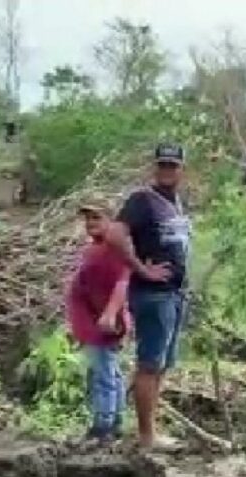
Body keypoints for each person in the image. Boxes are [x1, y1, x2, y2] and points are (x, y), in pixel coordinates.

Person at [106, 143, 190, 449]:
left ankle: (151, 431)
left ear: (182, 169)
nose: (167, 170)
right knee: (149, 364)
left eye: (173, 165)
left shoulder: (178, 202)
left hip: (175, 293)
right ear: (154, 168)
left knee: (162, 364)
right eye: (162, 165)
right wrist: (141, 269)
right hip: (154, 294)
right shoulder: (143, 200)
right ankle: (146, 436)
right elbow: (115, 235)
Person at [66, 198, 131, 442]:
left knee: (102, 373)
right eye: (88, 218)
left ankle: (103, 426)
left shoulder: (115, 248)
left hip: (104, 323)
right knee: (110, 370)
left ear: (112, 222)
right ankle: (115, 422)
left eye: (97, 217)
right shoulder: (93, 248)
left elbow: (122, 282)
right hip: (91, 321)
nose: (90, 222)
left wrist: (110, 313)